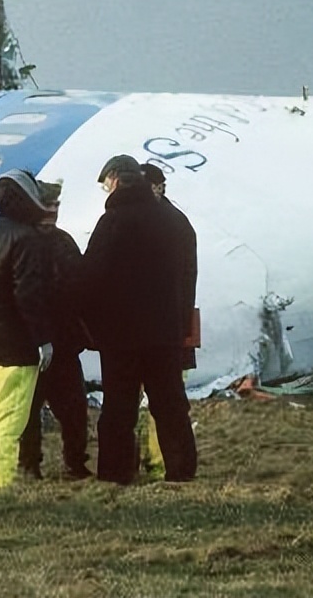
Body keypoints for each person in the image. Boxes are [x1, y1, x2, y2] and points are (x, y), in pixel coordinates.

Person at [81, 154, 197, 484]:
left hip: (121, 335)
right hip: (165, 332)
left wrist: (86, 320)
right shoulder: (175, 221)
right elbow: (188, 276)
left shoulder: (114, 221)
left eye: (106, 183)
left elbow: (92, 275)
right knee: (170, 403)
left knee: (119, 408)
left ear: (116, 179)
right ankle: (181, 470)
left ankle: (116, 475)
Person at [0, 170, 56, 490]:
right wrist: (43, 340)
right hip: (18, 344)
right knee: (9, 415)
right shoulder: (27, 238)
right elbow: (28, 295)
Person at [17, 180, 94, 480]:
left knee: (74, 408)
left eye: (56, 206)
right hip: (30, 342)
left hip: (63, 342)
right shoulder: (22, 240)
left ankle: (74, 462)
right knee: (28, 410)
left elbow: (80, 284)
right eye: (47, 206)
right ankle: (29, 463)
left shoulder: (63, 241)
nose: (52, 211)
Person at [139, 163, 199, 480]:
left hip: (166, 328)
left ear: (159, 187)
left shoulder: (170, 224)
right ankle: (157, 459)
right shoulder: (175, 222)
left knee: (165, 400)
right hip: (170, 326)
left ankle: (162, 461)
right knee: (165, 399)